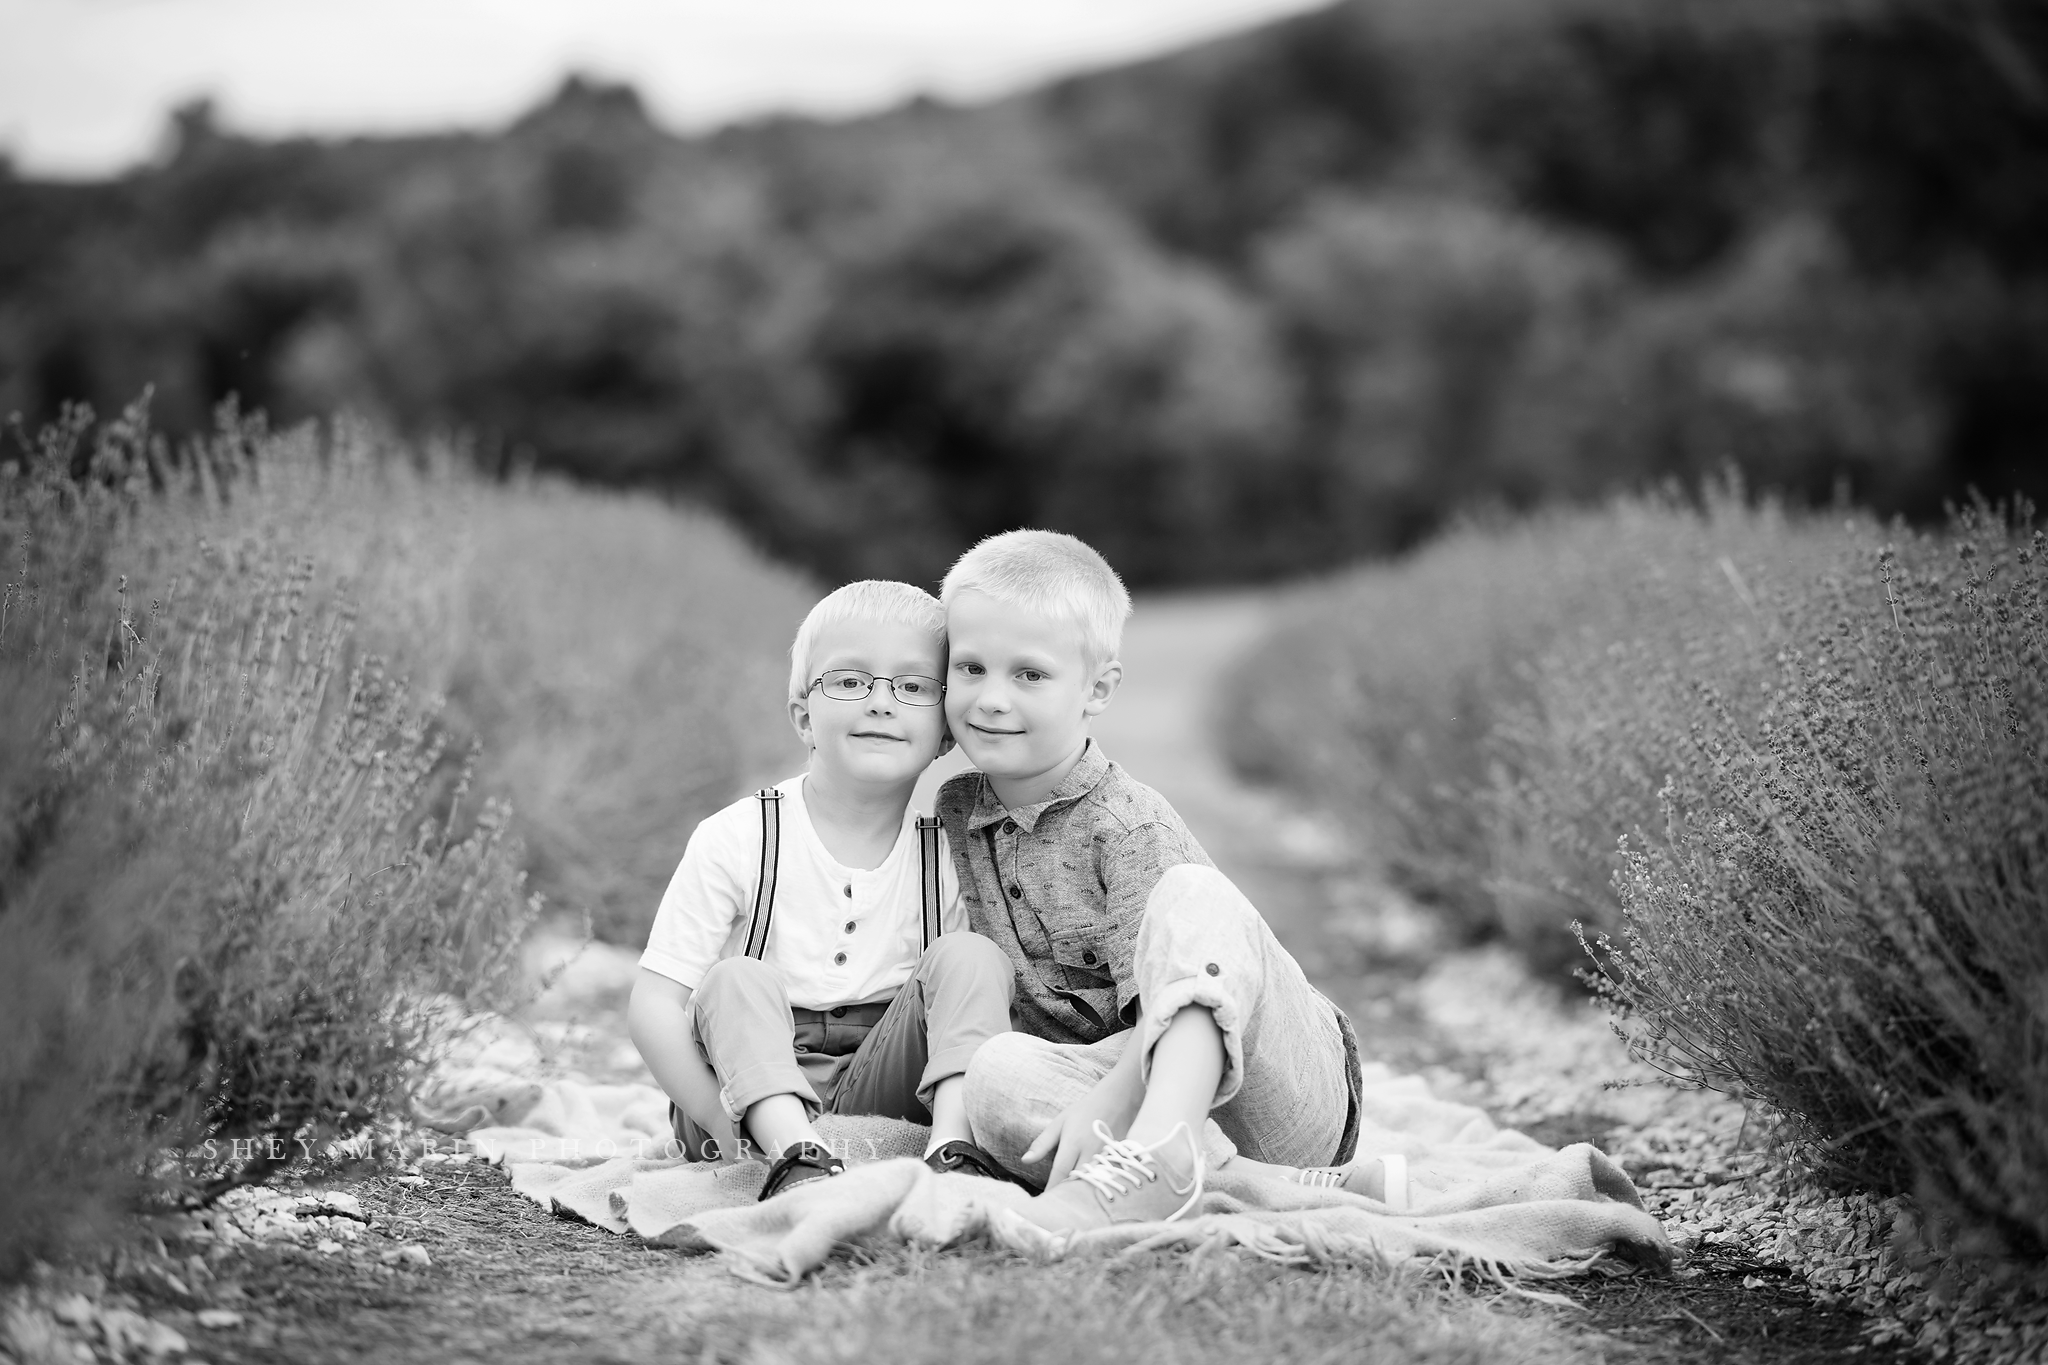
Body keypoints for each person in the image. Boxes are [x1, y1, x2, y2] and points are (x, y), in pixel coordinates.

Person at [937, 530, 1390, 1234]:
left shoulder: (1127, 825)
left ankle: (1173, 1149)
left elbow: (1184, 1004)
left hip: (1279, 1090)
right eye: (970, 668)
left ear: (1098, 689)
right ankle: (1277, 1187)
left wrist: (1111, 1107)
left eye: (1028, 674)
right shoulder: (957, 816)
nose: (991, 698)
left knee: (1194, 893)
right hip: (1130, 1102)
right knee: (994, 1076)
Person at [628, 580, 1022, 1201]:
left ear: (945, 731)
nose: (880, 704)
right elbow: (653, 1003)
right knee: (735, 977)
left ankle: (953, 1150)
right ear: (803, 716)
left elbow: (962, 1008)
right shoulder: (739, 835)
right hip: (740, 1086)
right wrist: (719, 1125)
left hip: (884, 1088)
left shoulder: (948, 851)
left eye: (913, 687)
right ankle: (794, 1159)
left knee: (974, 957)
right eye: (849, 681)